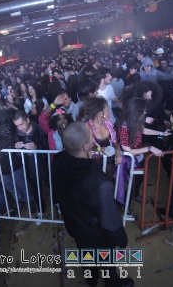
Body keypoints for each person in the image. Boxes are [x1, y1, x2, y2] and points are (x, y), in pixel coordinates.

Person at [52, 121, 134, 287]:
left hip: (75, 227)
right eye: (91, 135)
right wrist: (122, 241)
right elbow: (109, 220)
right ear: (85, 146)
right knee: (107, 262)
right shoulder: (98, 182)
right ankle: (113, 284)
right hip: (97, 234)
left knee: (85, 254)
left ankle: (91, 279)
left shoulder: (58, 162)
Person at [0, 110, 36, 214]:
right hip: (0, 169)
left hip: (14, 165)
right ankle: (20, 200)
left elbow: (6, 140)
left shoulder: (4, 127)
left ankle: (30, 201)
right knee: (11, 188)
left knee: (22, 185)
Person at [116, 98, 169, 207]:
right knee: (133, 182)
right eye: (143, 111)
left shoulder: (135, 121)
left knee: (139, 179)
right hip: (129, 160)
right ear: (137, 111)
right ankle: (125, 205)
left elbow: (144, 131)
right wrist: (149, 148)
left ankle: (134, 195)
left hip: (138, 157)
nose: (145, 112)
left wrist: (161, 133)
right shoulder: (124, 127)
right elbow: (127, 150)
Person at [13, 110, 49, 220]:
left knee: (52, 187)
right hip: (30, 167)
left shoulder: (38, 129)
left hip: (44, 165)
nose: (20, 128)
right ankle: (41, 210)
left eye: (21, 124)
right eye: (17, 126)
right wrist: (16, 149)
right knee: (36, 190)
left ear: (27, 120)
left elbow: (47, 147)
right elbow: (17, 155)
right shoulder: (18, 134)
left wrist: (36, 148)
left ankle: (58, 205)